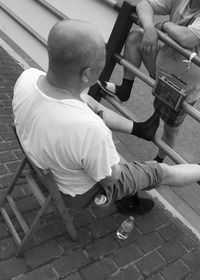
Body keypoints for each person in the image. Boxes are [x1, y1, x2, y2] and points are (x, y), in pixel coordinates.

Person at [12, 19, 200, 213]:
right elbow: (111, 177)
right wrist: (109, 154)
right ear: (86, 74)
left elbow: (81, 110)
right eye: (100, 65)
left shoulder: (27, 77)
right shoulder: (91, 129)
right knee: (159, 172)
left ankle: (139, 129)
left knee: (85, 101)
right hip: (78, 193)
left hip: (41, 163)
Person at [102, 0, 200, 163]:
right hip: (161, 68)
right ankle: (125, 88)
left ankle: (158, 161)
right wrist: (149, 29)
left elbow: (187, 38)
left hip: (181, 87)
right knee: (136, 37)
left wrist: (165, 24)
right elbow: (143, 5)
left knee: (170, 130)